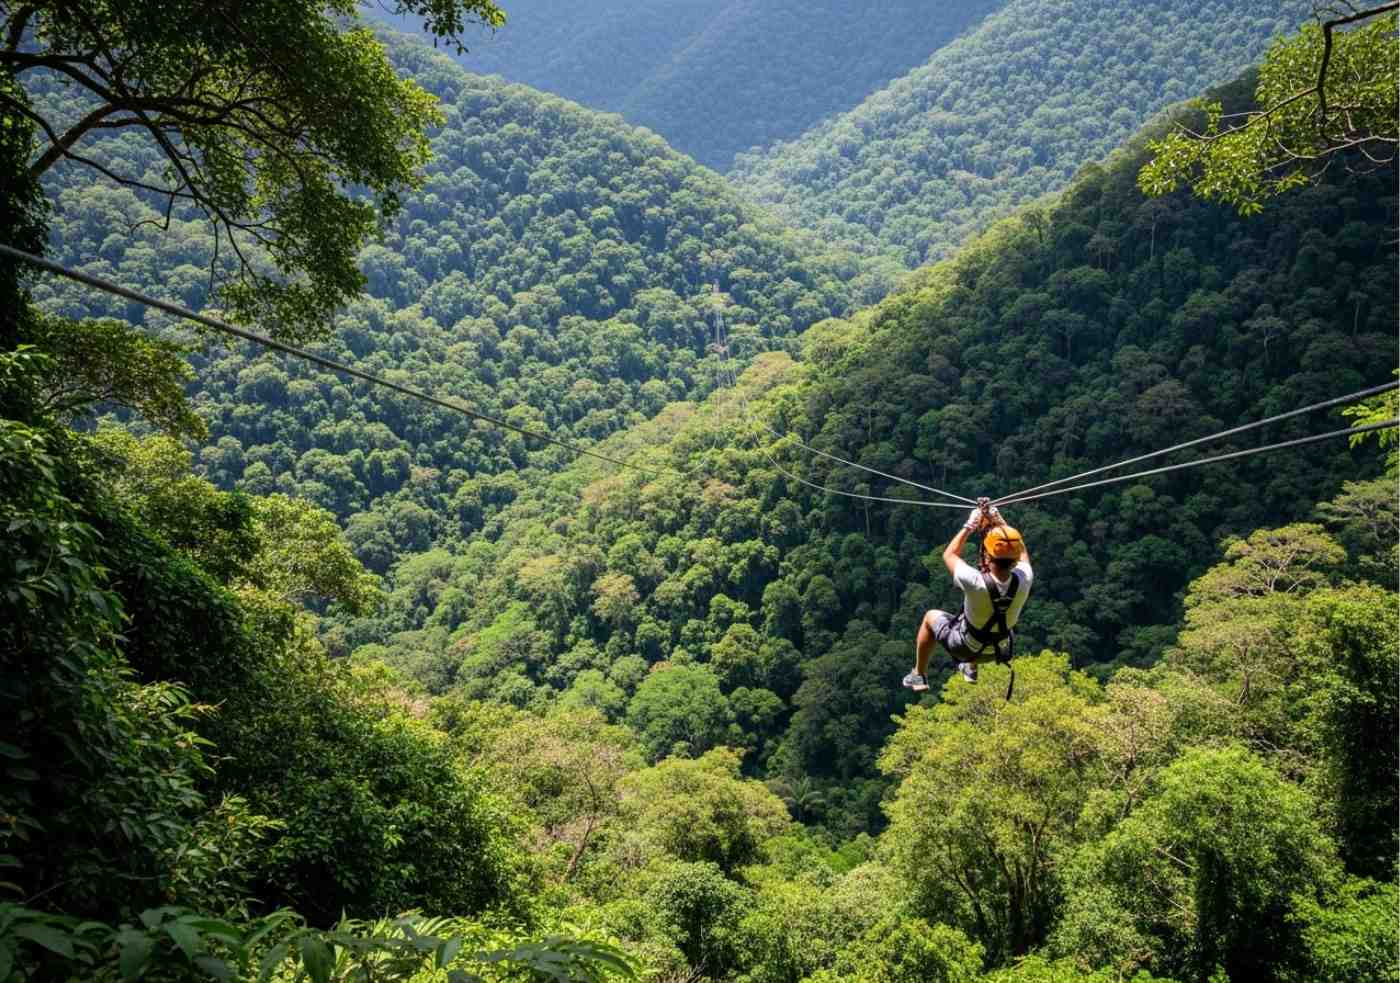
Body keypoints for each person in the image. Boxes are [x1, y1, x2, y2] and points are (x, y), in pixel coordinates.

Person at [903, 504, 1032, 691]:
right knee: (990, 616)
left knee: (930, 616)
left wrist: (970, 525)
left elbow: (949, 555)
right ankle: (970, 668)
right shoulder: (1024, 578)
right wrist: (999, 522)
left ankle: (918, 674)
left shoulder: (973, 580)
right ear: (1013, 560)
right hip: (999, 650)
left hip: (965, 647)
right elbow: (1022, 553)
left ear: (987, 556)